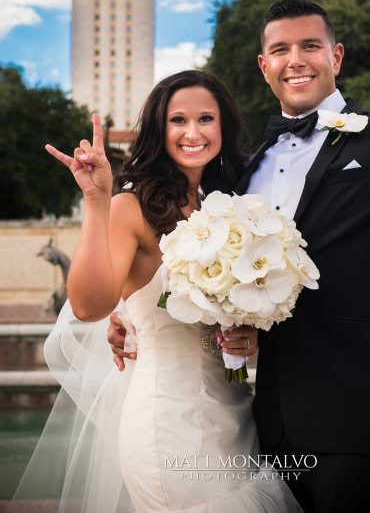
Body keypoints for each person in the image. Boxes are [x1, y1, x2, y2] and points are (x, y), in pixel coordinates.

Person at [109, 0, 370, 513]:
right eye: (280, 49)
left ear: (337, 56)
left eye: (310, 45)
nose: (296, 59)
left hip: (362, 414)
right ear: (264, 66)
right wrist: (135, 309)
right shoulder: (241, 170)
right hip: (266, 425)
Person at [10, 70, 301, 513]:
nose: (192, 132)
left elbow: (237, 315)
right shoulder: (130, 206)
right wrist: (96, 201)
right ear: (158, 130)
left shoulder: (232, 208)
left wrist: (247, 337)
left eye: (206, 118)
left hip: (237, 412)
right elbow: (90, 306)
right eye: (177, 120)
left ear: (223, 126)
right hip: (169, 422)